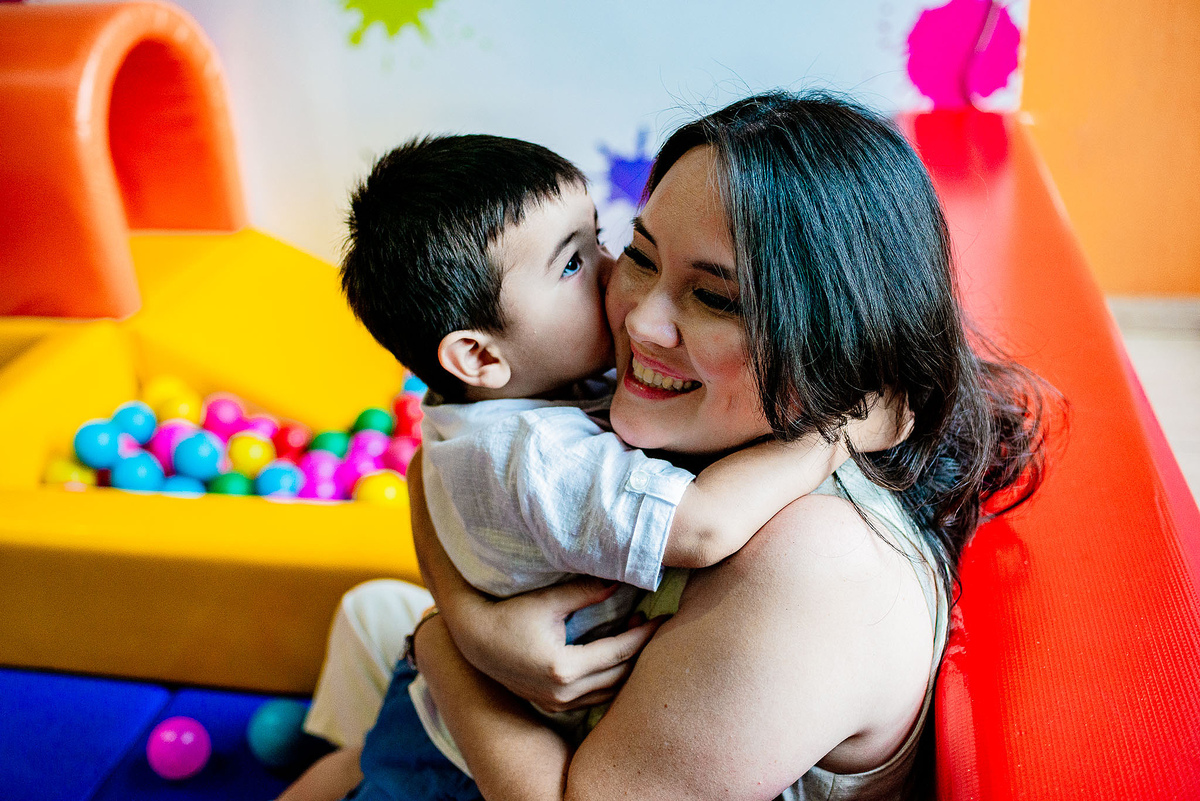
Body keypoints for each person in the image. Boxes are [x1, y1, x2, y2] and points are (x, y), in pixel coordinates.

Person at [297, 91, 1049, 800]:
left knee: (384, 681)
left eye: (715, 297)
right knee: (367, 621)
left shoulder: (813, 563)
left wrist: (442, 647)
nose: (637, 320)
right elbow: (446, 460)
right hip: (528, 720)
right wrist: (473, 621)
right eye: (641, 254)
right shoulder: (726, 418)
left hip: (521, 756)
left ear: (835, 334)